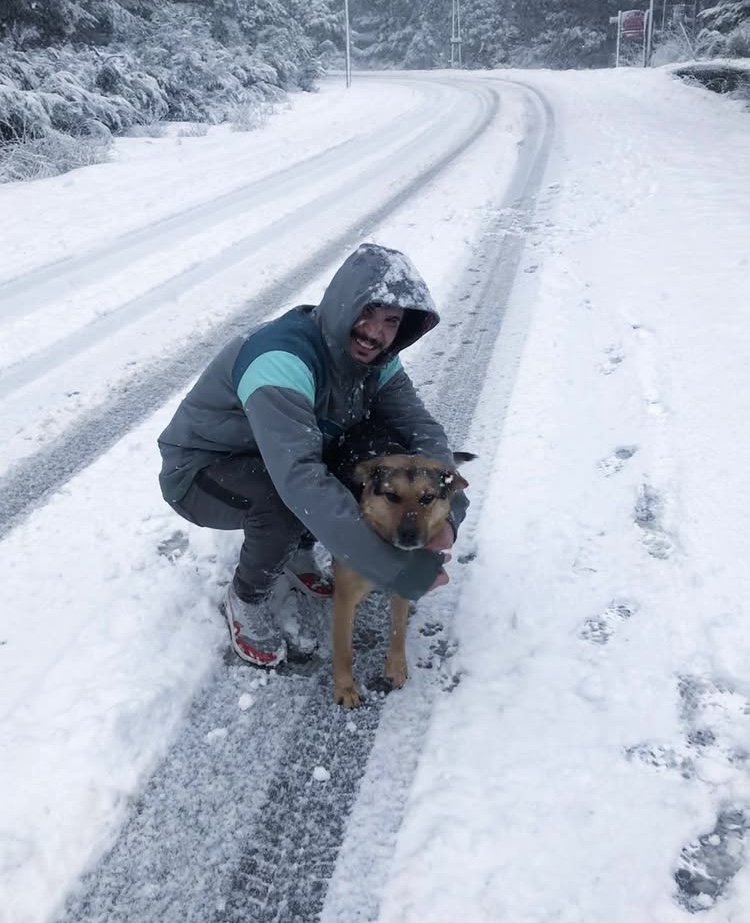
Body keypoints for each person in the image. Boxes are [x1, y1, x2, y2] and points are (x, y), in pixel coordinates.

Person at [157, 242, 469, 667]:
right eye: (367, 312)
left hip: (271, 457)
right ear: (343, 303)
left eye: (391, 321)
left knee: (366, 455)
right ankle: (245, 598)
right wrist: (398, 570)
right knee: (289, 502)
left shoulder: (378, 361)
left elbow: (421, 430)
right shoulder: (282, 360)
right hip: (201, 470)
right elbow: (300, 479)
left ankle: (294, 554)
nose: (375, 332)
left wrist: (448, 512)